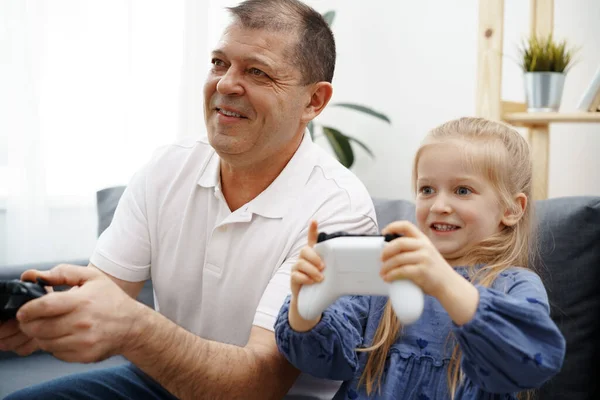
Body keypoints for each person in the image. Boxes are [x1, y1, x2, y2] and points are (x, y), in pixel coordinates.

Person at [0, 1, 378, 399]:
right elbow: (102, 294)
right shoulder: (169, 166)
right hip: (166, 382)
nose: (226, 84)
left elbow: (259, 382)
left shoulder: (340, 211)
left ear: (313, 102)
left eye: (257, 71)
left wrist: (136, 328)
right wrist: (34, 317)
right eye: (219, 63)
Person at [275, 117, 567, 399]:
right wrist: (306, 306)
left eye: (462, 190)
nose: (439, 205)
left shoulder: (514, 285)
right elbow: (324, 362)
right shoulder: (386, 270)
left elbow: (532, 360)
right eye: (427, 189)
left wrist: (441, 280)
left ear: (512, 209)